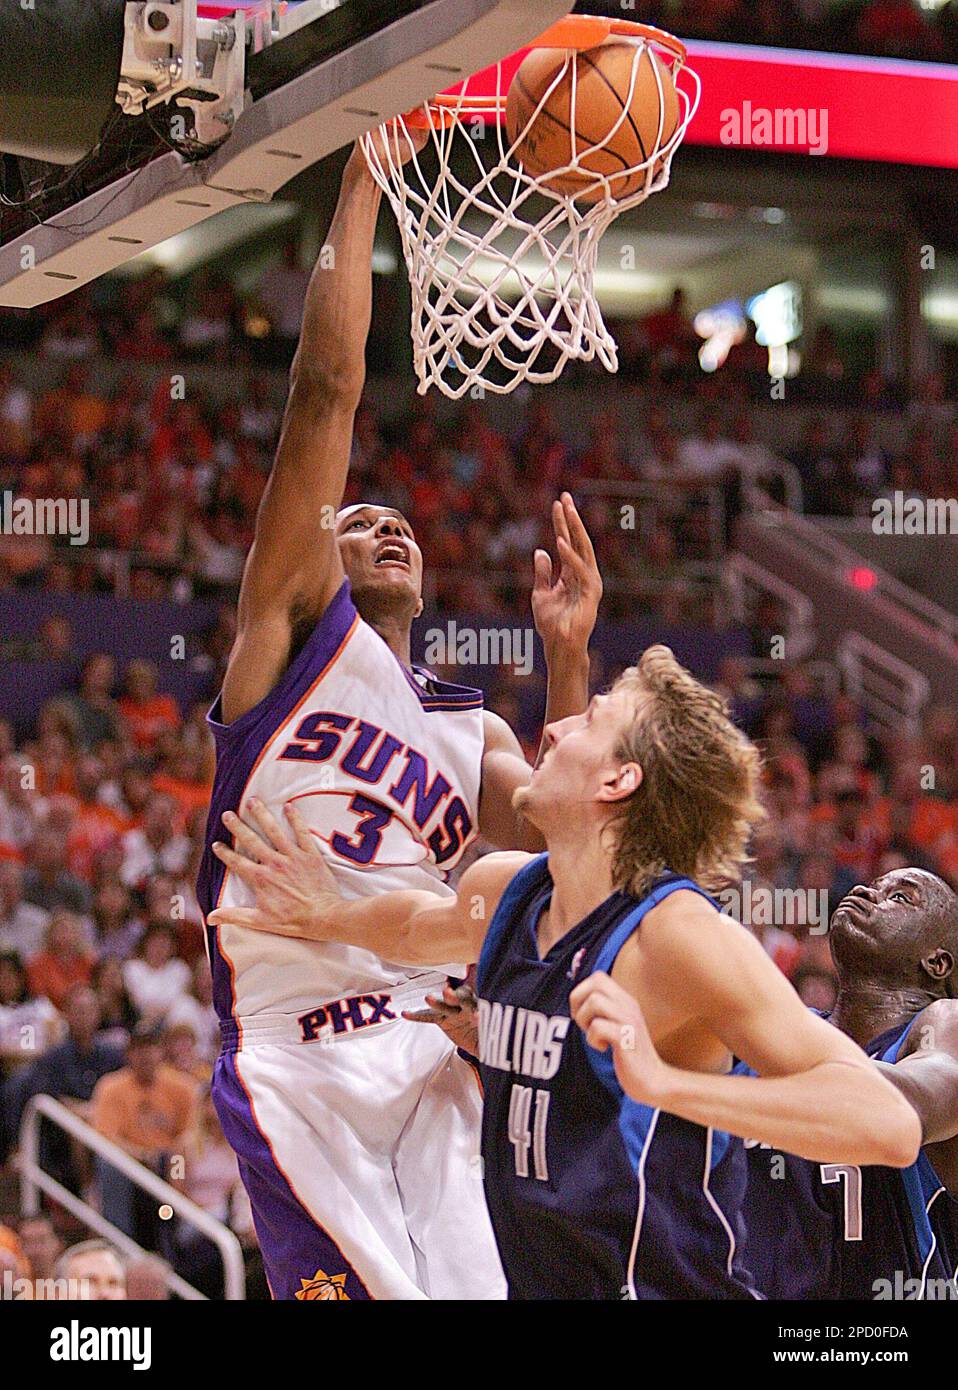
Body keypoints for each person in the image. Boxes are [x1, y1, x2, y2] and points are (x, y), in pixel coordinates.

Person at [196, 129, 602, 1302]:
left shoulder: (469, 726)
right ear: (307, 546)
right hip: (294, 1050)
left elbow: (545, 877)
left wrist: (565, 658)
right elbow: (326, 391)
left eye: (402, 522)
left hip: (426, 1042)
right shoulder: (282, 644)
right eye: (355, 514)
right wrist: (364, 178)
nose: (387, 525)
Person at [209, 646, 920, 1300]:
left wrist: (669, 1085)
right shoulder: (510, 890)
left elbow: (885, 1124)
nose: (553, 730)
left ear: (619, 778)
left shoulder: (678, 939)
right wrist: (323, 912)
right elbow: (415, 926)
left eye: (590, 720)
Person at [738, 867, 958, 1299]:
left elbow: (909, 1105)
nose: (863, 891)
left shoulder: (942, 1025)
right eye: (873, 886)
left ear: (937, 962)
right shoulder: (788, 1034)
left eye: (899, 898)